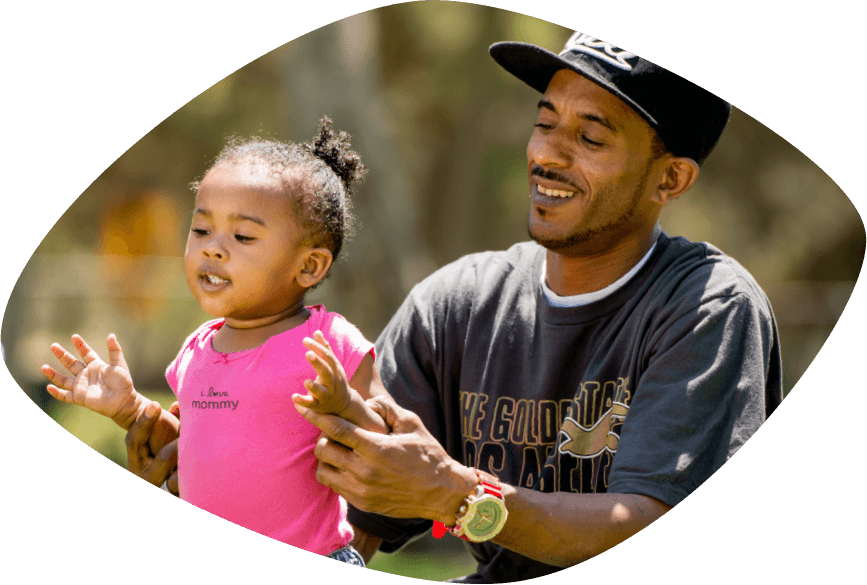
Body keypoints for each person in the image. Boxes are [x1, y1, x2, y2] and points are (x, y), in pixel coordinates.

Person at [127, 32, 783, 582]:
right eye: (545, 122)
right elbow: (347, 516)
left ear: (669, 178)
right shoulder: (457, 303)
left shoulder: (707, 306)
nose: (547, 154)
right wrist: (214, 467)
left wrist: (459, 493)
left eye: (590, 137)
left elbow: (642, 519)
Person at [40, 117, 389, 566]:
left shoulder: (326, 342)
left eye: (242, 236)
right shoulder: (197, 349)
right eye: (201, 230)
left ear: (309, 267)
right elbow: (193, 449)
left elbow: (390, 446)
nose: (212, 248)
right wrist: (130, 411)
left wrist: (346, 406)